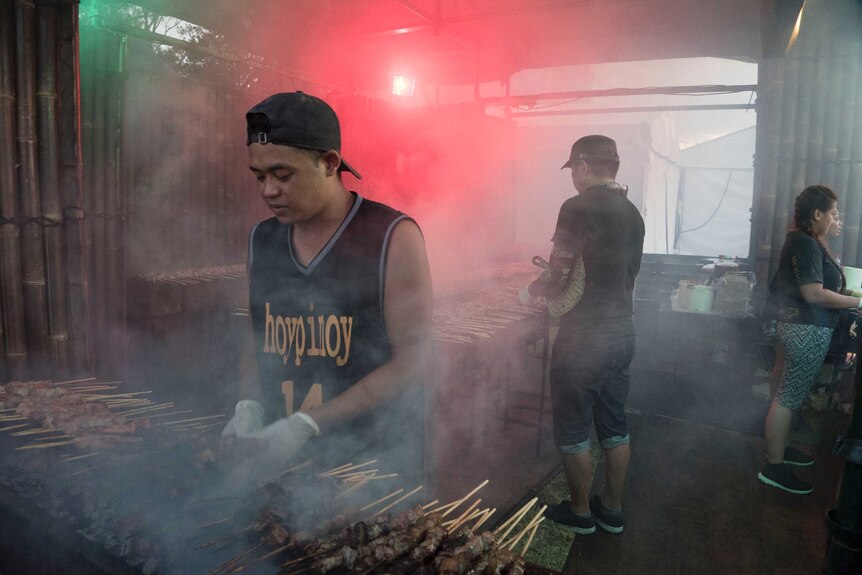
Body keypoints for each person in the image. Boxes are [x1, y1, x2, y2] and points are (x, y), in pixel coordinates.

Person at [220, 92, 433, 478]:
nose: (268, 190)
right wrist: (248, 404)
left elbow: (411, 361)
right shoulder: (261, 240)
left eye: (283, 175)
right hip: (281, 457)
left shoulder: (391, 236)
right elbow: (257, 338)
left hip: (372, 462)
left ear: (329, 163)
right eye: (260, 176)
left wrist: (310, 423)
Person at [526, 135, 645, 535]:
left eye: (573, 170)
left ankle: (579, 513)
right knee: (614, 425)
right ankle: (611, 509)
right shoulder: (632, 213)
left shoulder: (577, 207)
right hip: (622, 333)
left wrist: (531, 293)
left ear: (580, 166)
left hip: (583, 339)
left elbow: (559, 269)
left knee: (573, 428)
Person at [758, 185, 861, 494]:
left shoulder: (802, 241)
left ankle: (781, 449)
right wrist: (856, 301)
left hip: (795, 326)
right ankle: (773, 468)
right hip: (806, 328)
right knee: (788, 397)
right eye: (833, 213)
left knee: (783, 390)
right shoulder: (804, 243)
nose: (835, 219)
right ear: (818, 213)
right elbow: (813, 294)